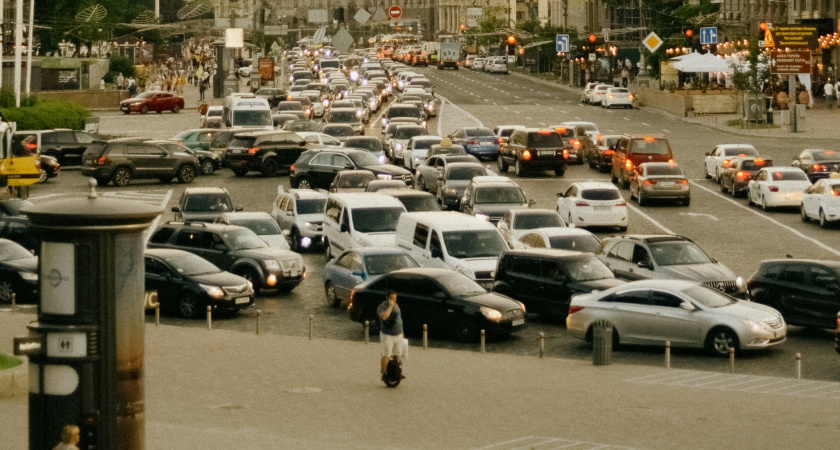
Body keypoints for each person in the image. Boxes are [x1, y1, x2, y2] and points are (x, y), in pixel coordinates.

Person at [378, 290, 404, 381]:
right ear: (388, 299)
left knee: (397, 355)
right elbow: (384, 316)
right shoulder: (382, 306)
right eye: (392, 298)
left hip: (398, 334)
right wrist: (390, 306)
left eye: (395, 298)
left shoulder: (397, 306)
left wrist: (402, 333)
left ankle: (397, 372)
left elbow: (399, 319)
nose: (394, 300)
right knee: (386, 355)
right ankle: (384, 373)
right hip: (387, 335)